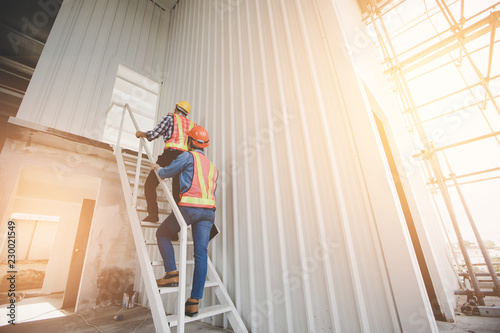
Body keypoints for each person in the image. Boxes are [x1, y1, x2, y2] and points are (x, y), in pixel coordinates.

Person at [152, 125, 218, 317]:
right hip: (208, 212)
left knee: (162, 233)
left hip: (189, 208)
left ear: (189, 142)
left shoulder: (188, 156)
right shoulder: (213, 167)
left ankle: (171, 272)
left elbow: (166, 173)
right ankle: (194, 302)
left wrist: (158, 168)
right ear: (205, 146)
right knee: (201, 254)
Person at [136, 101, 195, 223]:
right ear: (187, 113)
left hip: (169, 155)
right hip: (184, 158)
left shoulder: (170, 118)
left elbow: (154, 134)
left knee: (150, 184)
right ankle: (174, 230)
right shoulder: (192, 125)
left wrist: (140, 133)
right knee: (177, 194)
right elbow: (191, 147)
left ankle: (153, 214)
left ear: (176, 108)